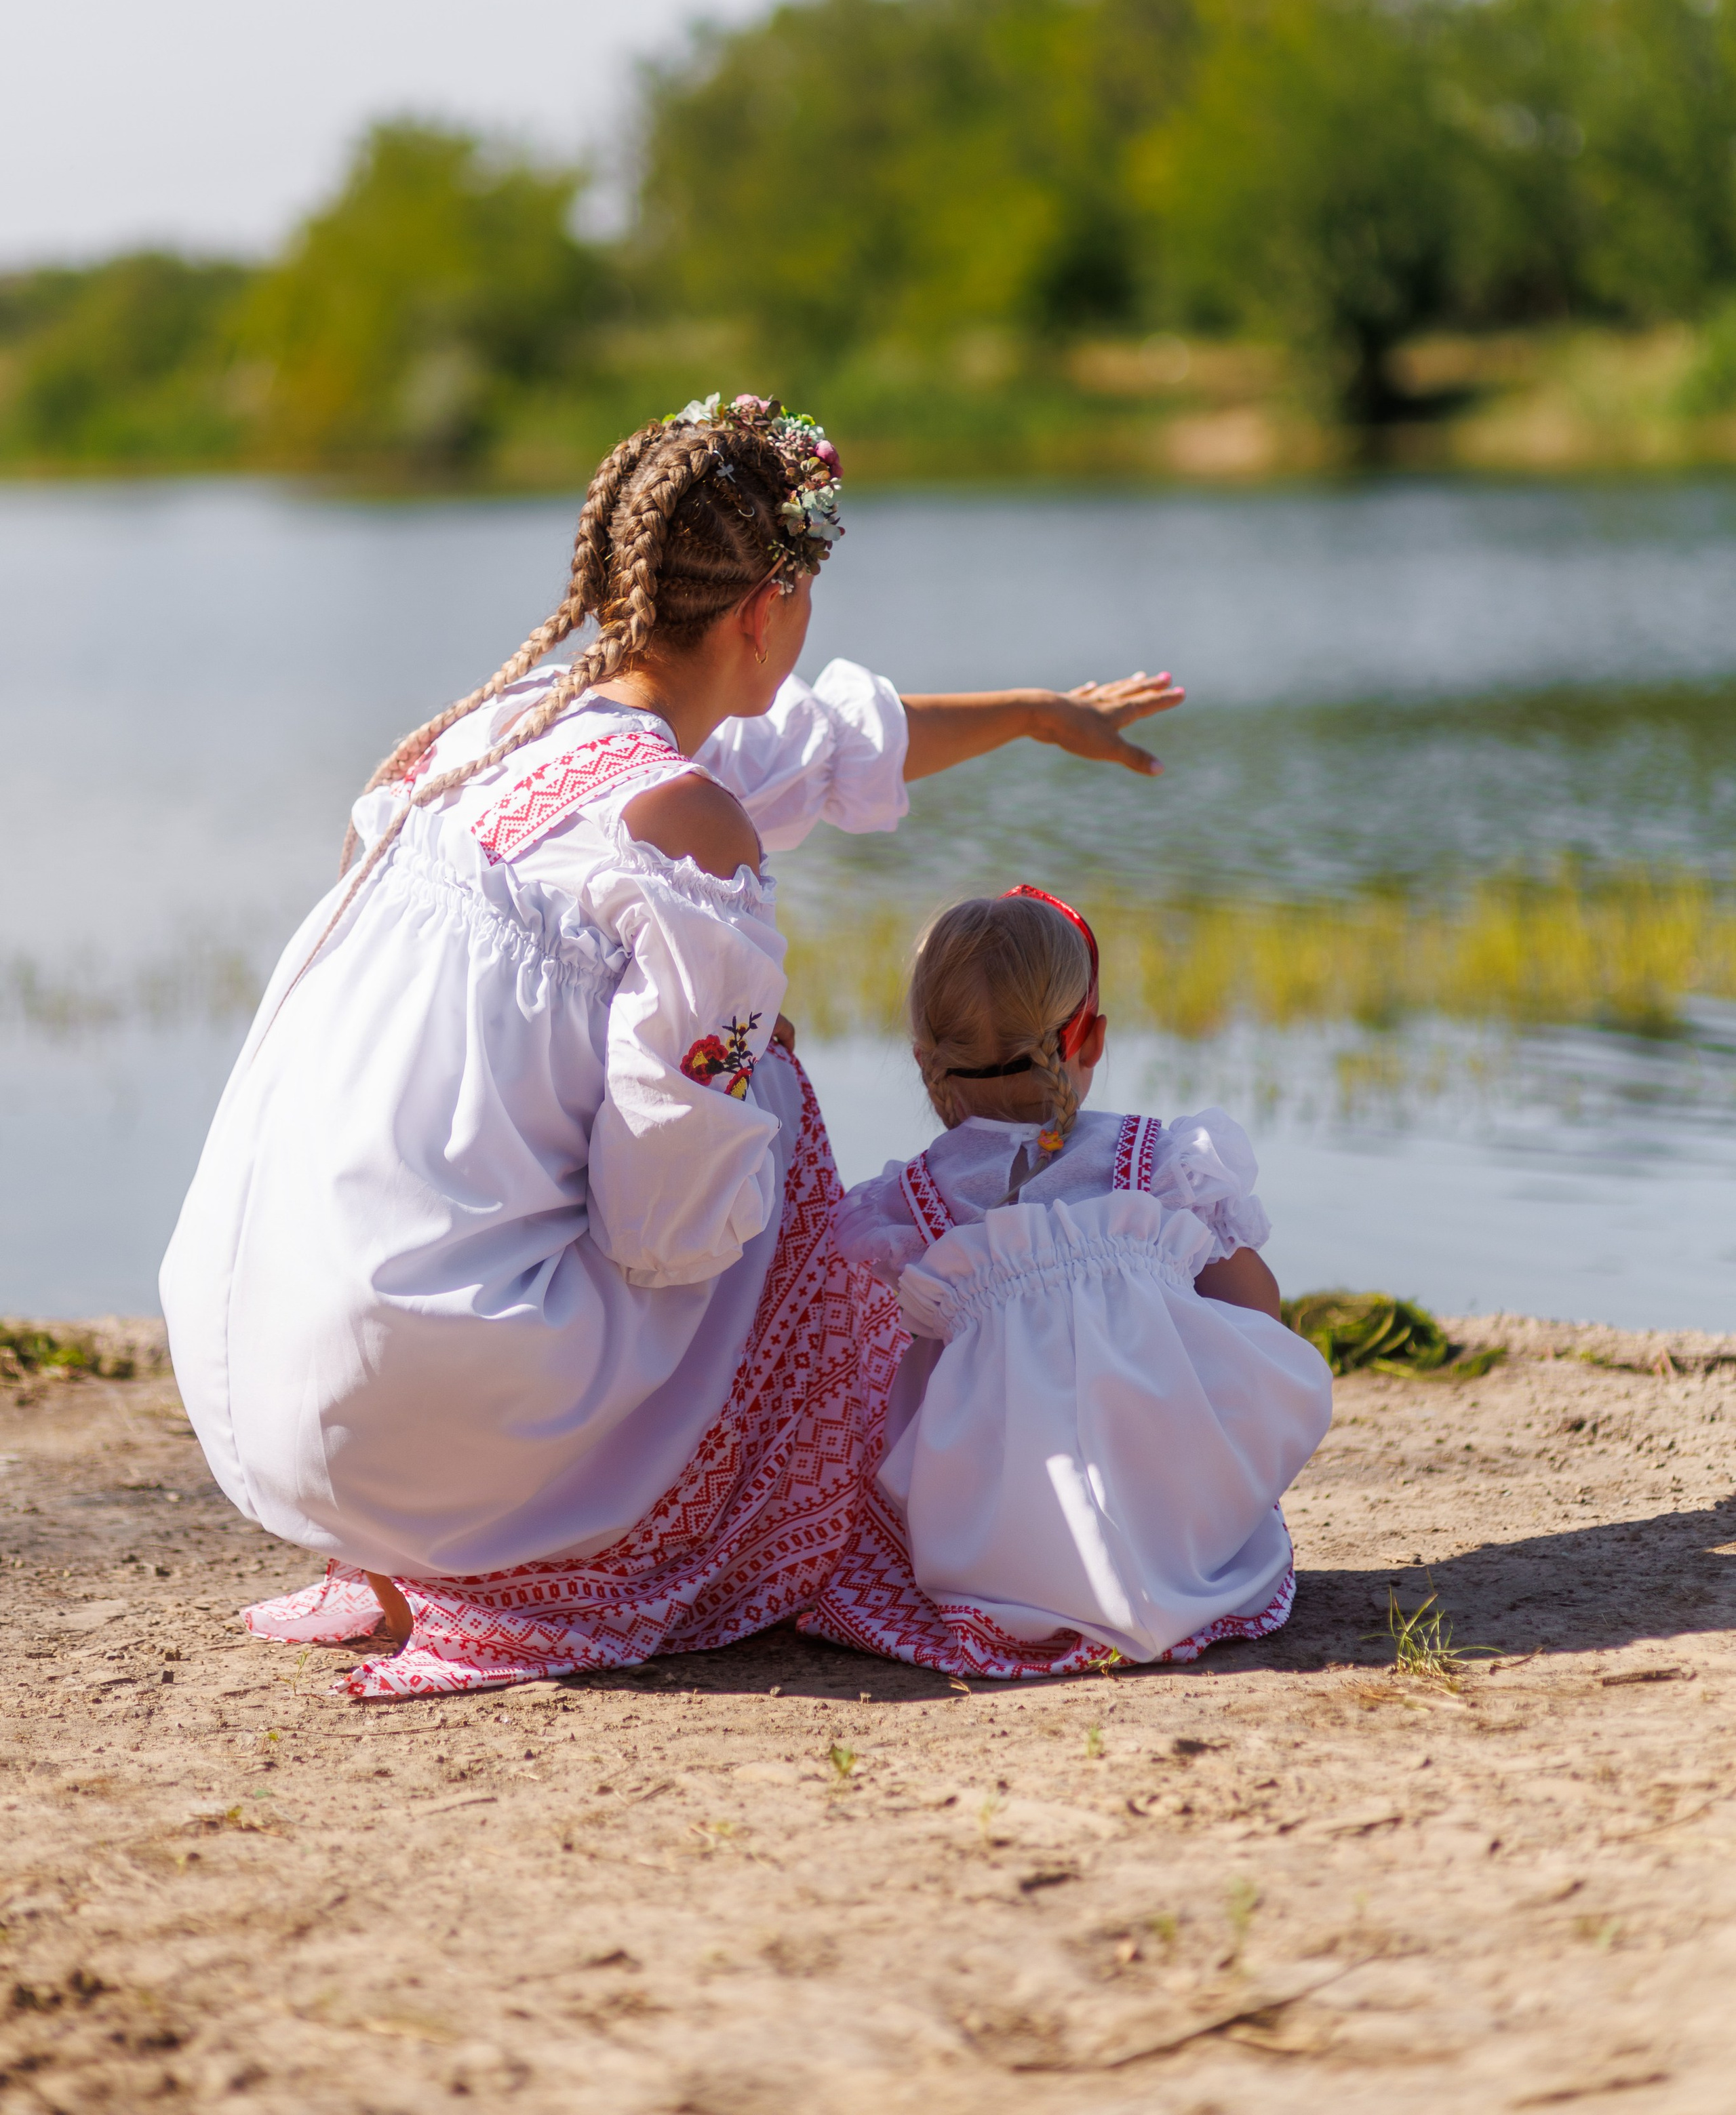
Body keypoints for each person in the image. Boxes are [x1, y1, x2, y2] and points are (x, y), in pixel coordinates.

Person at [159, 395, 1182, 1698]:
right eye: (805, 607)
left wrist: (1039, 713)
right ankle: (692, 1527)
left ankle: (416, 1533)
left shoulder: (505, 730)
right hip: (432, 1411)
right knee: (768, 1103)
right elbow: (668, 1230)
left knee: (728, 1061)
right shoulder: (689, 821)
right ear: (766, 614)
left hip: (263, 1391)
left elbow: (812, 748)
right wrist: (748, 1068)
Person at [800, 888, 1333, 1677]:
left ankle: (1023, 1578)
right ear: (1094, 1041)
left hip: (1000, 1533)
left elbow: (876, 1370)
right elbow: (1256, 1304)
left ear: (924, 1060)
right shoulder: (1156, 1161)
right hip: (1170, 1514)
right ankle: (1172, 1549)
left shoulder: (908, 1205)